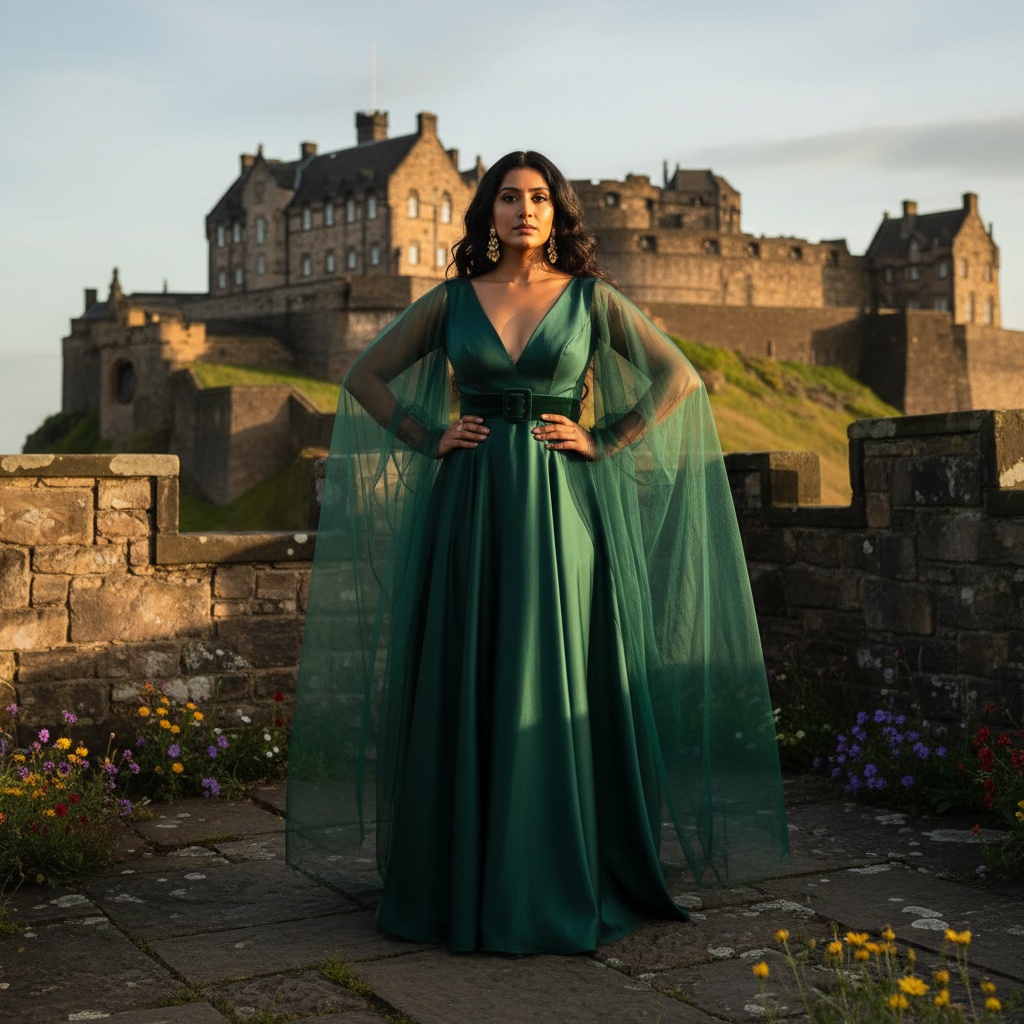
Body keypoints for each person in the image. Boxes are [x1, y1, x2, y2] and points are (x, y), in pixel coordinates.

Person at [285, 151, 788, 955]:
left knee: (556, 671)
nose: (526, 210)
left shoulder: (591, 298)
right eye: (511, 197)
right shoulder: (452, 301)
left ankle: (559, 868)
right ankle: (465, 870)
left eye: (540, 199)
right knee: (470, 669)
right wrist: (426, 434)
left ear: (559, 214)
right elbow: (365, 376)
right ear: (487, 211)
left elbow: (678, 377)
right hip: (472, 503)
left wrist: (608, 437)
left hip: (562, 507)